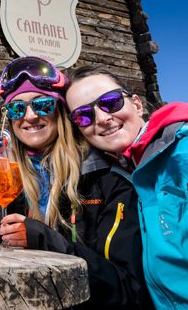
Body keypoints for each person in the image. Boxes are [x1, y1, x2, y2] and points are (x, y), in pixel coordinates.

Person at [0, 57, 152, 309]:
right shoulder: (9, 177)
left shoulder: (106, 179)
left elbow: (127, 290)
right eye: (16, 109)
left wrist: (46, 239)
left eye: (43, 105)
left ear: (61, 113)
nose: (30, 116)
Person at [65, 65, 186, 308]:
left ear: (138, 105)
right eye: (83, 116)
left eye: (110, 102)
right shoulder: (120, 172)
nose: (101, 119)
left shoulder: (181, 152)